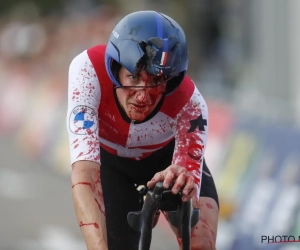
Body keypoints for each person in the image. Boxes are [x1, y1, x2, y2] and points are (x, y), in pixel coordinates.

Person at [67, 10, 219, 250]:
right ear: (114, 66)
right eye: (133, 77)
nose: (142, 96)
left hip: (166, 160)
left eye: (156, 82)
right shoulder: (87, 70)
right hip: (112, 166)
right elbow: (84, 174)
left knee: (201, 240)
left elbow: (188, 182)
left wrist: (181, 183)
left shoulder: (191, 103)